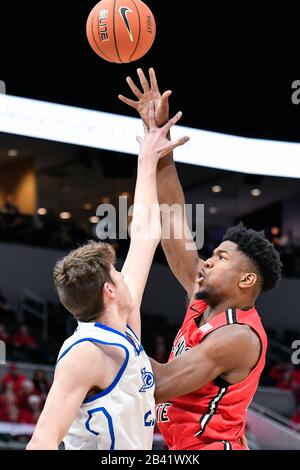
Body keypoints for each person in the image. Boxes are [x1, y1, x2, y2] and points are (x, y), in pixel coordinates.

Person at [119, 68, 282, 450]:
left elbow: (155, 387)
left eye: (221, 258)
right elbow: (174, 218)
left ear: (246, 281)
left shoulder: (237, 336)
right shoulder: (202, 298)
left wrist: (113, 322)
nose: (206, 262)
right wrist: (159, 137)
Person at [26, 103, 189, 450]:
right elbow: (42, 440)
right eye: (117, 273)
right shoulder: (85, 353)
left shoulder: (125, 324)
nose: (124, 275)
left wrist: (147, 157)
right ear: (109, 292)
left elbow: (146, 233)